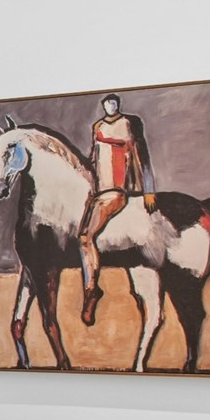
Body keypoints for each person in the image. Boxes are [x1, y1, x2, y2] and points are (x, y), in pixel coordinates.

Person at [79, 93, 151, 325]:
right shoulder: (97, 126)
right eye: (107, 103)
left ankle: (91, 289)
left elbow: (143, 157)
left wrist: (148, 190)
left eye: (113, 103)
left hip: (117, 190)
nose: (110, 106)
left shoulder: (130, 123)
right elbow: (92, 157)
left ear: (118, 104)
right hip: (97, 190)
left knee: (85, 237)